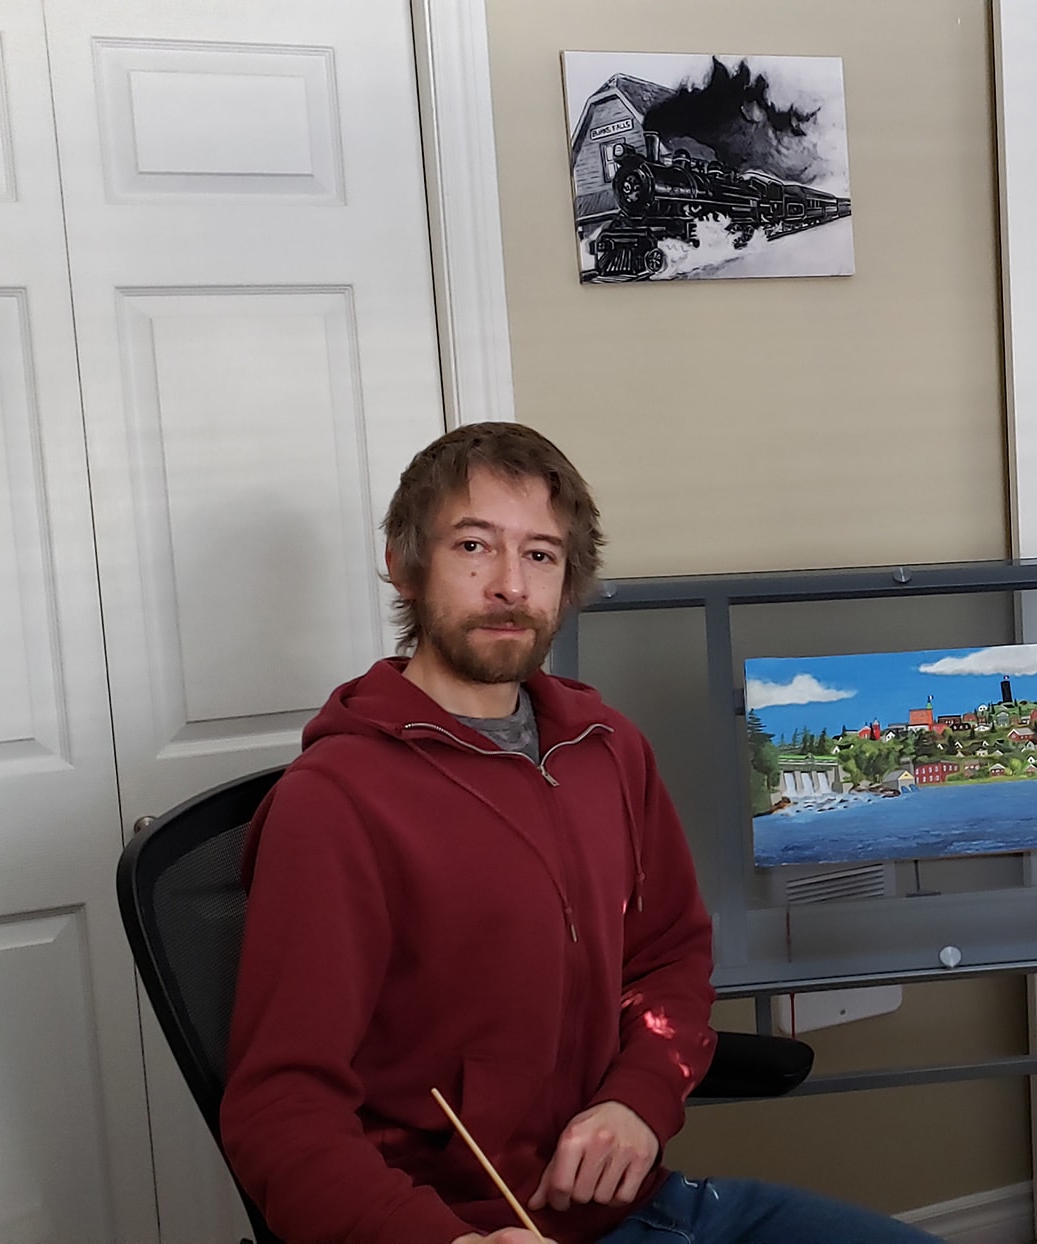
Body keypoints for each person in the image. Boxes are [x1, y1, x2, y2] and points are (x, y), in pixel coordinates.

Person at [219, 423, 938, 1244]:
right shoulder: (335, 802)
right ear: (404, 562)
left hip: (636, 1207)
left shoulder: (606, 748)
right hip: (461, 1225)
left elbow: (668, 955)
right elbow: (279, 1111)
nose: (508, 587)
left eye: (539, 556)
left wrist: (640, 1096)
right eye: (472, 546)